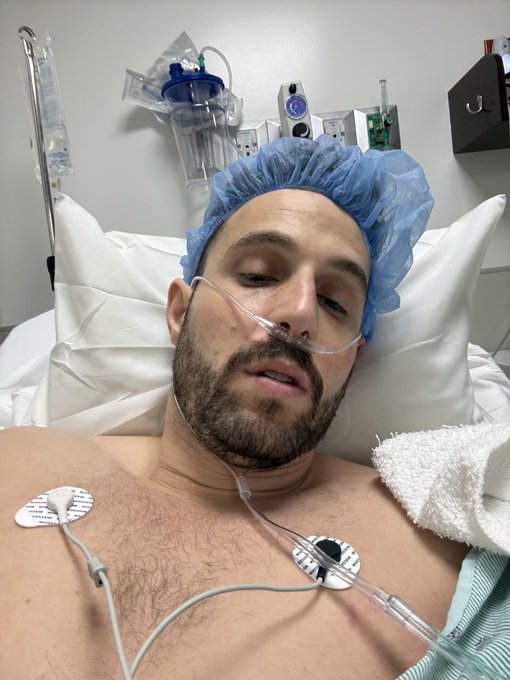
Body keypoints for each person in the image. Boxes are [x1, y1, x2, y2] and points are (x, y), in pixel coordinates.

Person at [0, 135, 507, 680]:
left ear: (353, 359)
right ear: (180, 313)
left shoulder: (442, 543)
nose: (300, 313)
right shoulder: (19, 462)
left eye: (335, 302)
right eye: (259, 275)